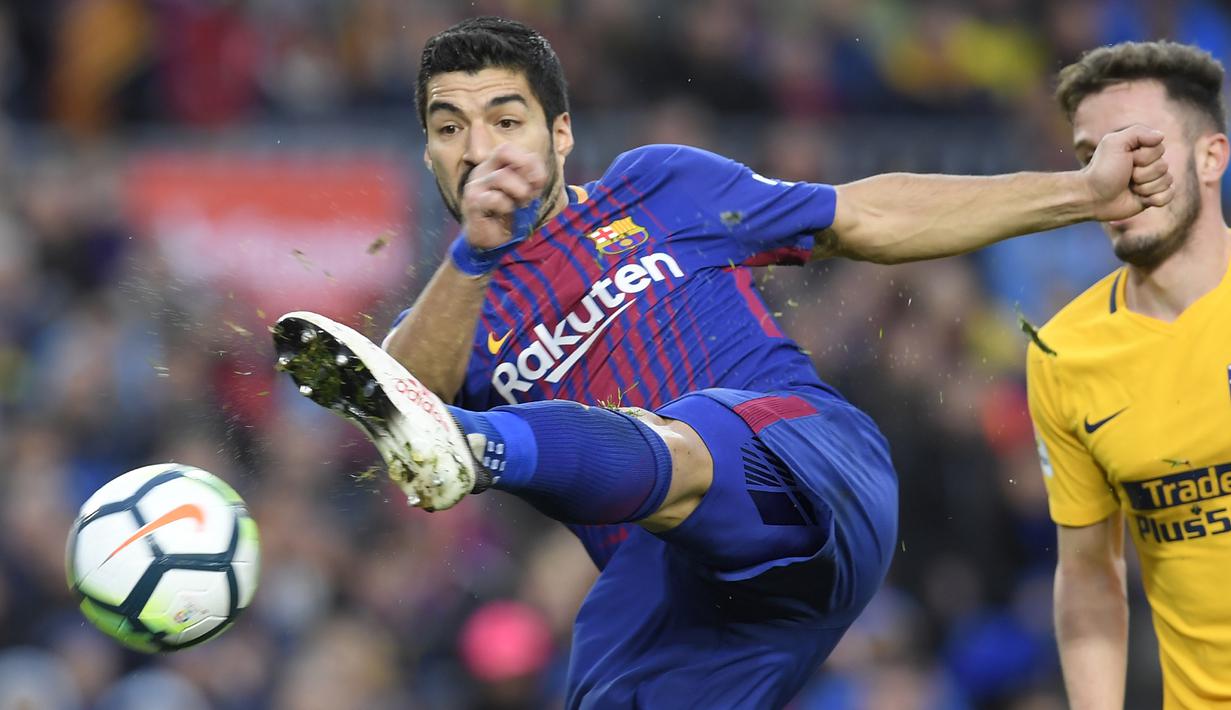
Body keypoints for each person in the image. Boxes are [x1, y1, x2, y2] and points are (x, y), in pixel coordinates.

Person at [273, 17, 1172, 709]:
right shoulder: (454, 308)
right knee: (598, 679)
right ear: (428, 150)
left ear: (559, 134)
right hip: (691, 585)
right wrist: (471, 255)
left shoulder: (661, 185)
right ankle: (470, 446)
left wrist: (1079, 193)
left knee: (689, 432)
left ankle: (480, 449)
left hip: (809, 468)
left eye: (504, 119)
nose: (477, 148)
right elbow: (397, 388)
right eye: (448, 127)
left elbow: (866, 215)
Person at [1026, 41, 1231, 709]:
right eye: (1091, 158)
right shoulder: (1063, 352)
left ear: (1211, 156)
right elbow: (1087, 575)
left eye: (1138, 147)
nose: (1115, 174)